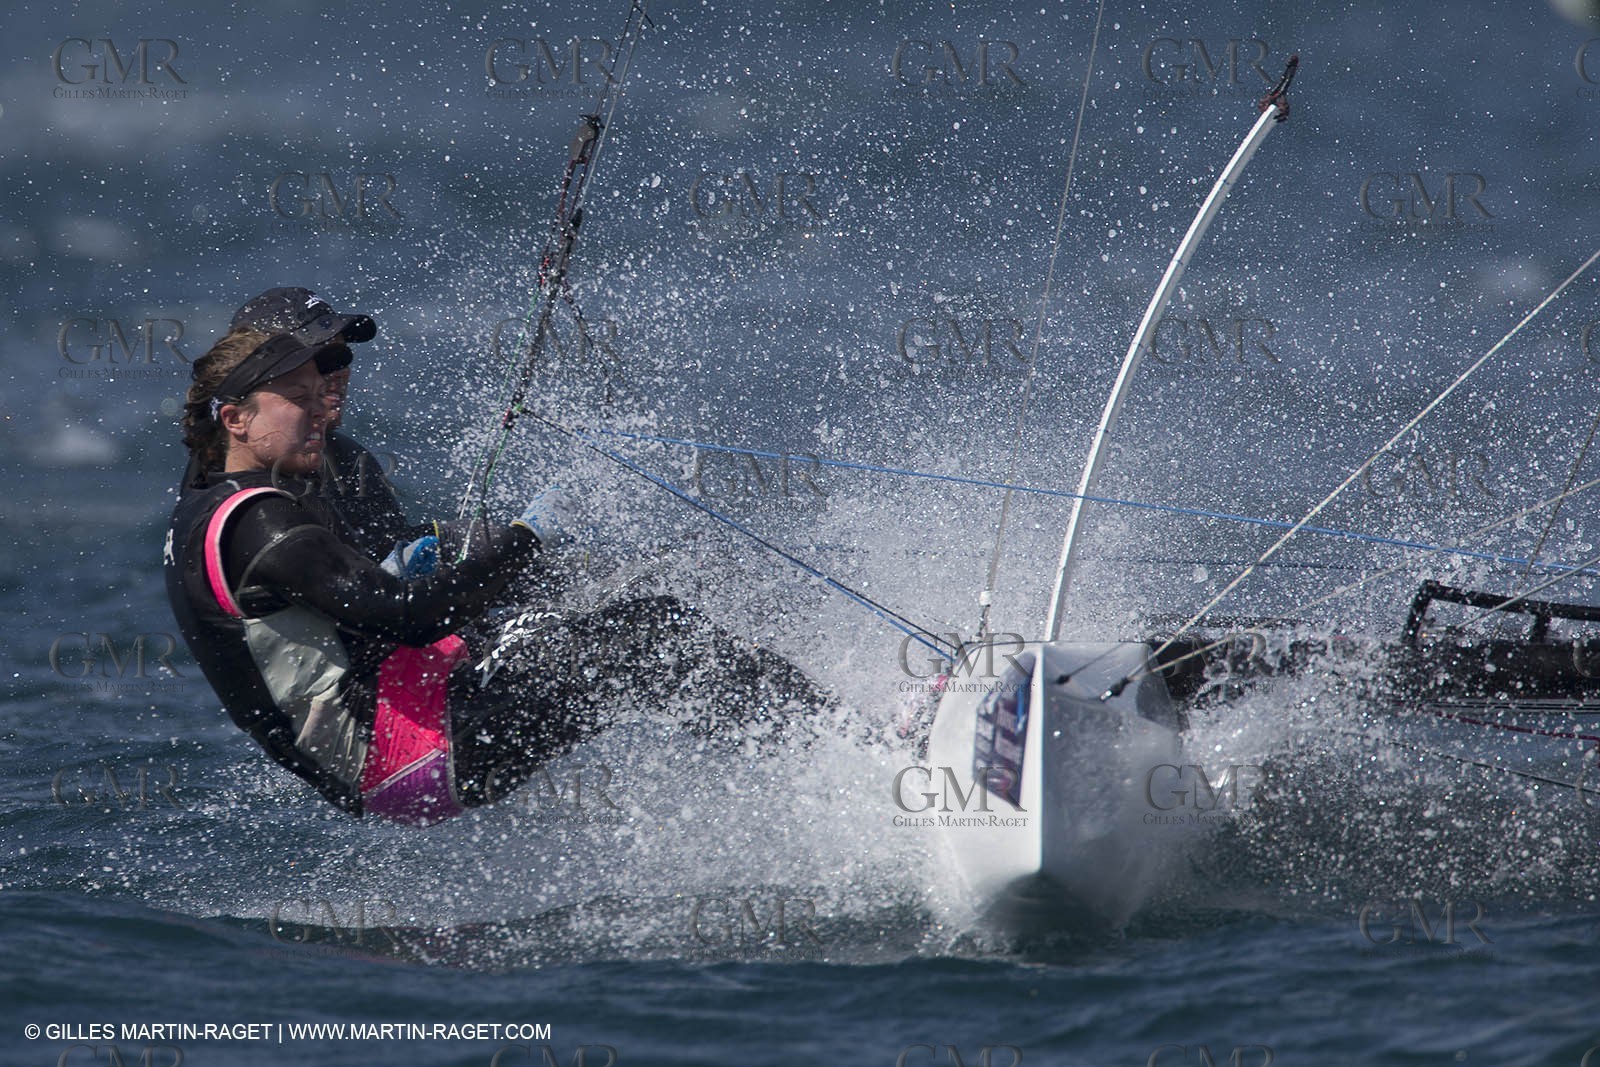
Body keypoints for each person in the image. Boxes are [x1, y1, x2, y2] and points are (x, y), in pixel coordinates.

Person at [166, 325, 831, 826]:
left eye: (322, 396)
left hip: (412, 704)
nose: (320, 412)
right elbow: (409, 614)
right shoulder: (261, 525)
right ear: (236, 418)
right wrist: (522, 539)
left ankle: (835, 713)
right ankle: (853, 752)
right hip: (408, 753)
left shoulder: (208, 503)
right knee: (650, 638)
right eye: (296, 400)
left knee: (610, 596)